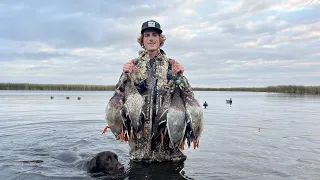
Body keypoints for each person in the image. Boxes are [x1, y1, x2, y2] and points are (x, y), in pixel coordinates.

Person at [109, 20, 200, 163]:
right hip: (140, 153)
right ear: (142, 40)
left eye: (154, 35)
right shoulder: (133, 66)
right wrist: (125, 75)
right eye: (147, 35)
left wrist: (181, 75)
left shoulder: (172, 65)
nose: (151, 38)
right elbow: (119, 94)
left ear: (160, 39)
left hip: (170, 155)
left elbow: (188, 95)